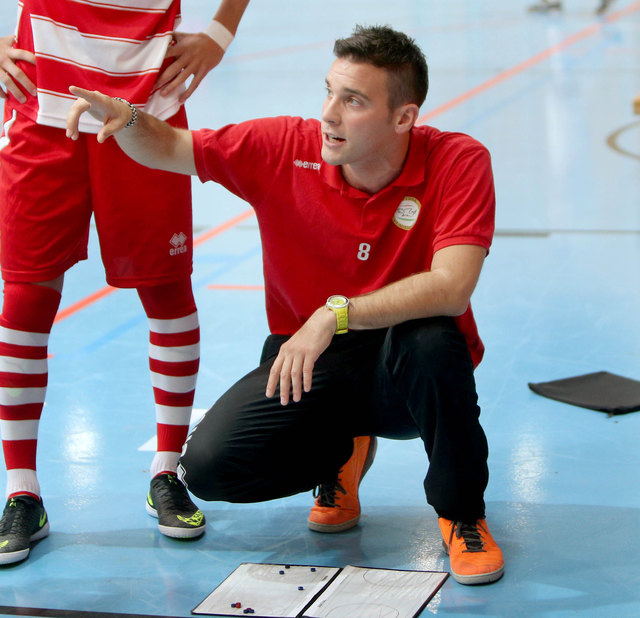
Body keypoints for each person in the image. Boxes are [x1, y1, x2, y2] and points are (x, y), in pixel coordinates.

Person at [67, 24, 504, 586]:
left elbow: (453, 286)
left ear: (404, 118)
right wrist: (127, 119)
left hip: (405, 368)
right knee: (209, 469)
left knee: (433, 339)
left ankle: (462, 512)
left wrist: (334, 313)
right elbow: (173, 147)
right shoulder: (282, 149)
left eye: (353, 101)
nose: (329, 113)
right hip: (312, 360)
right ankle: (340, 456)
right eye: (329, 92)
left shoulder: (457, 161)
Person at [0, 0, 250, 565]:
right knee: (24, 300)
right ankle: (22, 491)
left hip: (145, 107)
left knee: (166, 290)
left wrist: (220, 31)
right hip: (39, 104)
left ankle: (167, 471)